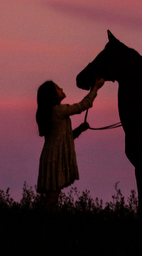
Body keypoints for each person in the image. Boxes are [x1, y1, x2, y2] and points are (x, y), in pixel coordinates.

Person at [35, 77, 105, 207]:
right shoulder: (58, 110)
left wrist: (79, 130)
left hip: (51, 157)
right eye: (57, 88)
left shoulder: (52, 112)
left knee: (52, 197)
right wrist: (95, 89)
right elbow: (82, 106)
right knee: (52, 198)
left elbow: (64, 138)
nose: (61, 89)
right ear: (52, 94)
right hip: (55, 158)